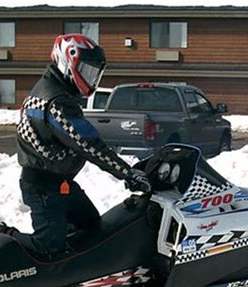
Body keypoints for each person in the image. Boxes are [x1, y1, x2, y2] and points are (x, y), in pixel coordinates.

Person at [13, 33, 151, 256]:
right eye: (87, 71)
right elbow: (88, 144)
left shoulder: (51, 89)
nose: (92, 79)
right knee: (48, 250)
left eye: (95, 73)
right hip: (44, 188)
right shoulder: (56, 100)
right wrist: (127, 173)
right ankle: (5, 237)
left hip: (59, 183)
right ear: (68, 61)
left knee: (89, 224)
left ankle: (72, 274)